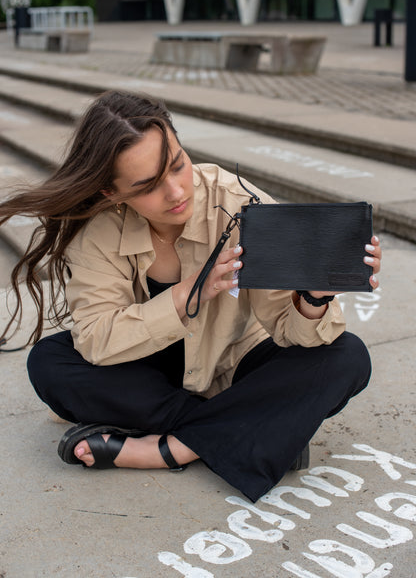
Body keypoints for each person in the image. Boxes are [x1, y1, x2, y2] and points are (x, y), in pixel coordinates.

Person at [0, 90, 381, 503]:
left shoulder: (238, 203)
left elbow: (291, 333)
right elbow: (96, 340)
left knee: (346, 357)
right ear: (114, 194)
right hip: (146, 368)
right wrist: (184, 296)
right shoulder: (97, 230)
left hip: (233, 364)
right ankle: (257, 428)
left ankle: (171, 449)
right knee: (50, 362)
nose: (176, 192)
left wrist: (313, 297)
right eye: (148, 186)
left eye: (177, 165)